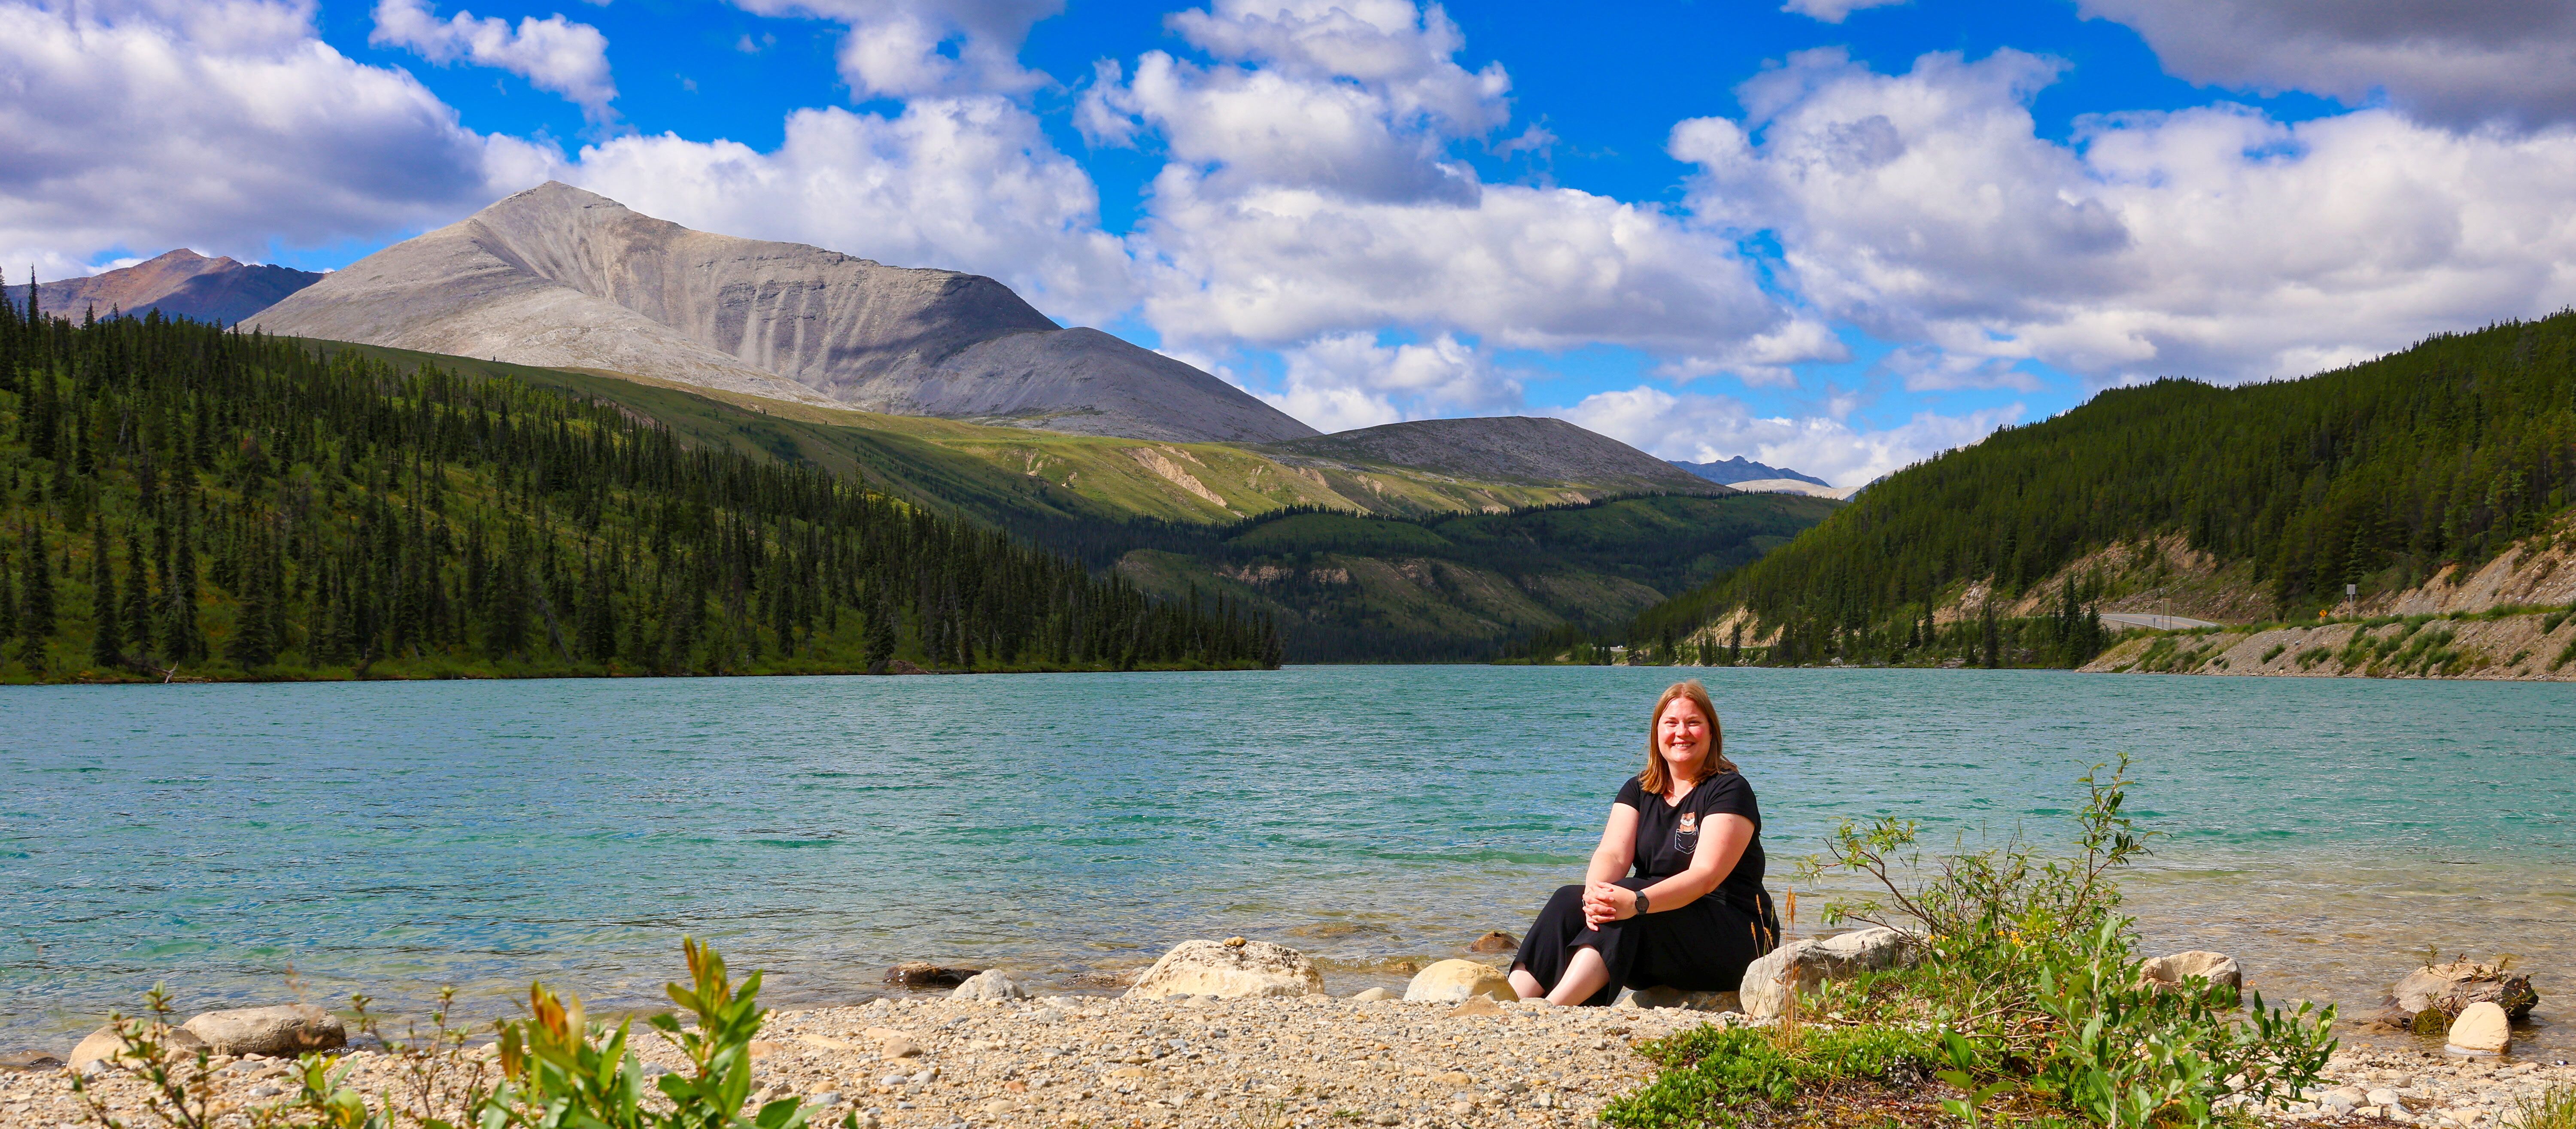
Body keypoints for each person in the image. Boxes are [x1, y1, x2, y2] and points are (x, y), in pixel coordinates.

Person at [1508, 679, 1777, 1006]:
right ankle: (1509, 1001)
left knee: (1626, 905)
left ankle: (1555, 1008)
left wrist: (1636, 902)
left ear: (1711, 733)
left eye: (1693, 722)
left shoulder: (1730, 789)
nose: (1682, 733)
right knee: (1569, 900)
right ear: (1657, 733)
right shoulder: (1639, 789)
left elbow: (1705, 876)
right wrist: (1595, 896)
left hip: (1732, 935)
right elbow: (1612, 853)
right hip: (1659, 929)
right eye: (1671, 723)